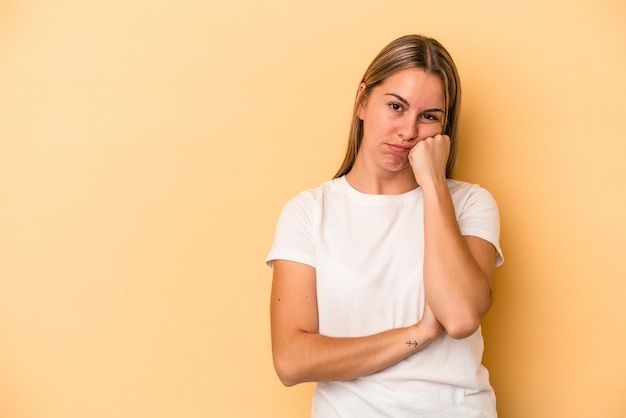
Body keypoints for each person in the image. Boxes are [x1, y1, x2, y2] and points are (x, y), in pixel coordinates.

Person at [266, 34, 503, 417]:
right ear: (362, 101)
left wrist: (432, 183)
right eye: (396, 106)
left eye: (429, 117)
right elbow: (292, 361)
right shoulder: (309, 212)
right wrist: (418, 333)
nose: (409, 131)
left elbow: (459, 318)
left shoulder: (470, 203)